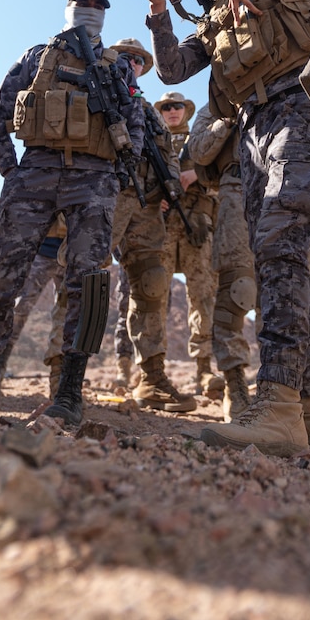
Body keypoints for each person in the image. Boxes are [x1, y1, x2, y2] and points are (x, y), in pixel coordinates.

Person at [142, 0, 310, 457]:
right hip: (252, 132)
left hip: (298, 110)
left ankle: (277, 406)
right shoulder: (212, 19)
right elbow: (172, 70)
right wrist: (159, 9)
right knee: (280, 261)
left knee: (280, 246)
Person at [0, 0, 144, 427]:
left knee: (87, 286)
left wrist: (111, 177)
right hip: (34, 173)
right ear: (69, 7)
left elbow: (135, 130)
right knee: (3, 281)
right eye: (83, 3)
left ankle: (69, 394)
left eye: (98, 4)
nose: (90, 9)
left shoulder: (117, 69)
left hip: (92, 179)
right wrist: (11, 169)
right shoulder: (36, 58)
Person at [104, 40, 195, 413]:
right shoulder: (93, 88)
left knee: (152, 282)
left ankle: (152, 378)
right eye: (124, 57)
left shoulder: (148, 110)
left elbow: (168, 153)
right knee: (82, 278)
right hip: (103, 196)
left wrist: (168, 186)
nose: (132, 63)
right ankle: (66, 372)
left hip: (143, 205)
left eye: (139, 59)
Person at [186, 103, 257, 420]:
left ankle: (289, 391)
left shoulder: (290, 87)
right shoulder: (217, 105)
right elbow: (199, 152)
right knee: (237, 287)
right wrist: (227, 119)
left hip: (288, 185)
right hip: (236, 186)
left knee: (287, 287)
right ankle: (236, 385)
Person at [155, 89, 224, 401]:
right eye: (167, 107)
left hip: (197, 225)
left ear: (185, 110)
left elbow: (221, 171)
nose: (172, 111)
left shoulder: (199, 140)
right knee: (154, 295)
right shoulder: (153, 141)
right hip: (162, 230)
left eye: (177, 106)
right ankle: (152, 370)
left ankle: (204, 369)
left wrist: (196, 174)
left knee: (202, 297)